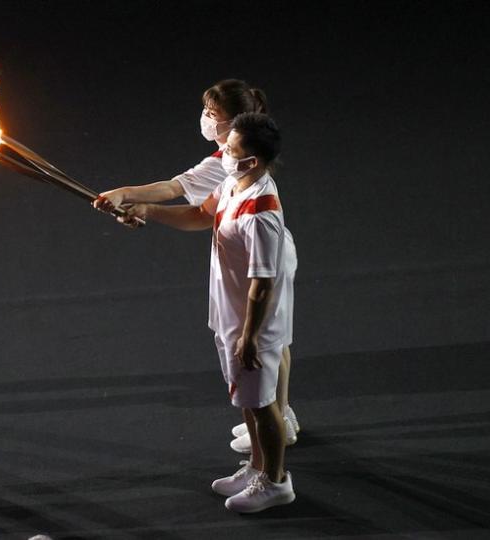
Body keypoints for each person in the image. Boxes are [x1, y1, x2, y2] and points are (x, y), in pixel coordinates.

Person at [95, 79, 299, 454]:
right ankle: (272, 417)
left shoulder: (240, 167)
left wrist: (129, 194)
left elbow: (175, 189)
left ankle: (277, 422)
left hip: (261, 257)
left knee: (269, 341)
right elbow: (197, 208)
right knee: (267, 346)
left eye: (213, 115)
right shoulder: (232, 161)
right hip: (244, 249)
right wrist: (136, 202)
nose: (205, 119)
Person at [120, 113, 297, 512]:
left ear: (252, 160)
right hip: (229, 313)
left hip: (252, 325)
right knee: (247, 400)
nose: (224, 155)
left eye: (231, 150)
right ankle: (256, 466)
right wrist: (145, 208)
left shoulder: (261, 212)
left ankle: (276, 480)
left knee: (264, 403)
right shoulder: (233, 184)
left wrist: (250, 336)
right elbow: (200, 216)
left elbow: (263, 283)